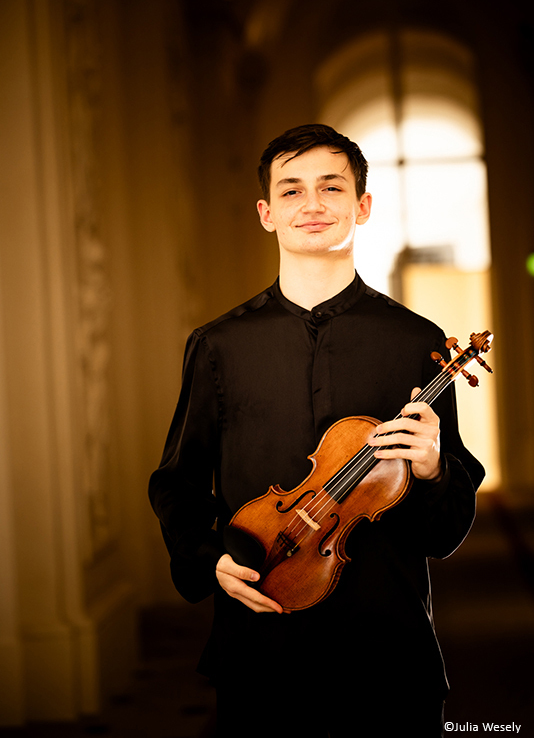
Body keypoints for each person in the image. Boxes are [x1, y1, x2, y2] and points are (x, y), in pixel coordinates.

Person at [149, 124, 484, 737]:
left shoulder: (419, 342)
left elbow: (444, 534)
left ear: (362, 206)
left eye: (332, 187)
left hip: (386, 644)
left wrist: (435, 467)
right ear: (266, 213)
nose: (312, 204)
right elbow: (178, 482)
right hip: (260, 639)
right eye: (292, 189)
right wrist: (208, 560)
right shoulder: (218, 346)